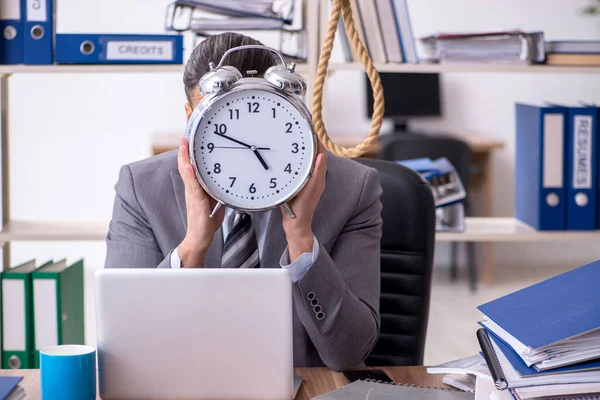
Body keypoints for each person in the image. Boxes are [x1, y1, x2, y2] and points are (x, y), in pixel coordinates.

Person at [104, 32, 383, 371]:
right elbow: (129, 347)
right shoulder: (141, 189)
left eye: (264, 120)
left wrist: (302, 241)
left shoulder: (354, 189)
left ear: (291, 113)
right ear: (190, 117)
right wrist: (193, 245)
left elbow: (350, 354)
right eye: (218, 120)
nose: (252, 147)